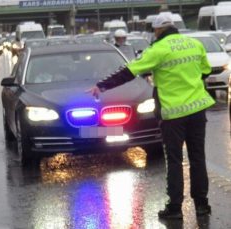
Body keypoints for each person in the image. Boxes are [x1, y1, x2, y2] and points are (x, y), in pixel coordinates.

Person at [87, 13, 215, 219]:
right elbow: (205, 72)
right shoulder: (194, 44)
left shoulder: (157, 50)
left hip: (173, 114)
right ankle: (202, 205)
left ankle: (175, 208)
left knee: (174, 161)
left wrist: (102, 86)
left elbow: (129, 71)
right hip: (198, 110)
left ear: (157, 30)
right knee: (197, 157)